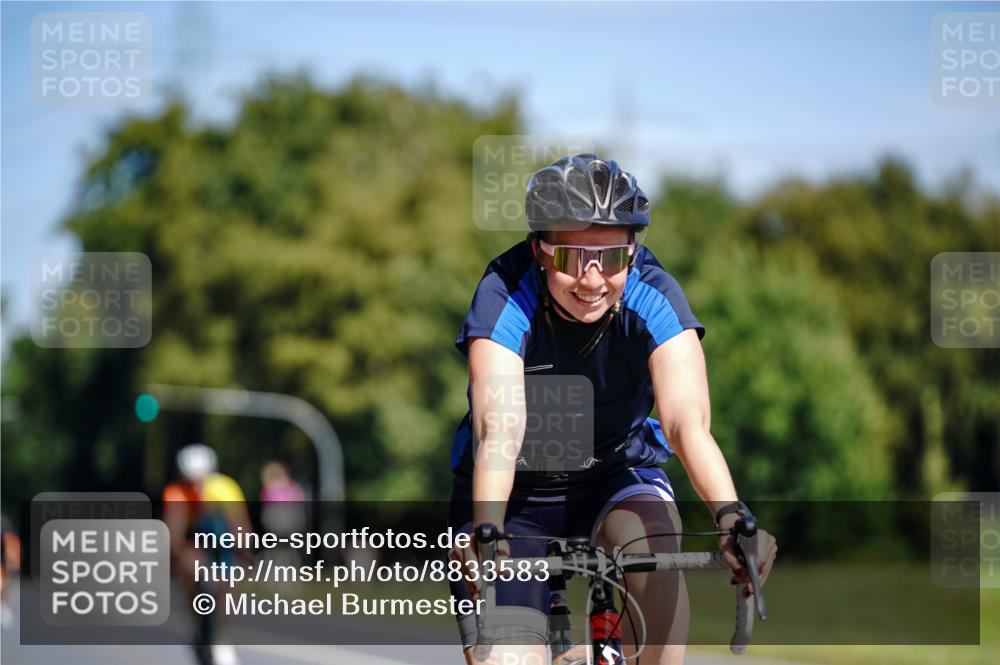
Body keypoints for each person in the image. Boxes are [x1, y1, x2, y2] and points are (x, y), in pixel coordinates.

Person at [448, 154, 777, 665]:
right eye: (570, 258)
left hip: (616, 474)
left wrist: (733, 516)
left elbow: (686, 424)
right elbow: (500, 431)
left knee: (654, 556)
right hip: (515, 493)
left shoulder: (654, 294)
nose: (593, 279)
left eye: (614, 258)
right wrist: (486, 528)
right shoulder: (504, 294)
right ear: (538, 249)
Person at [163, 443, 251, 665]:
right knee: (190, 566)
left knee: (226, 586)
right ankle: (197, 621)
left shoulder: (224, 487)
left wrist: (244, 550)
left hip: (223, 543)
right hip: (193, 543)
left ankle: (222, 637)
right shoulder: (176, 492)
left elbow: (239, 522)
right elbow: (175, 530)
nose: (197, 486)